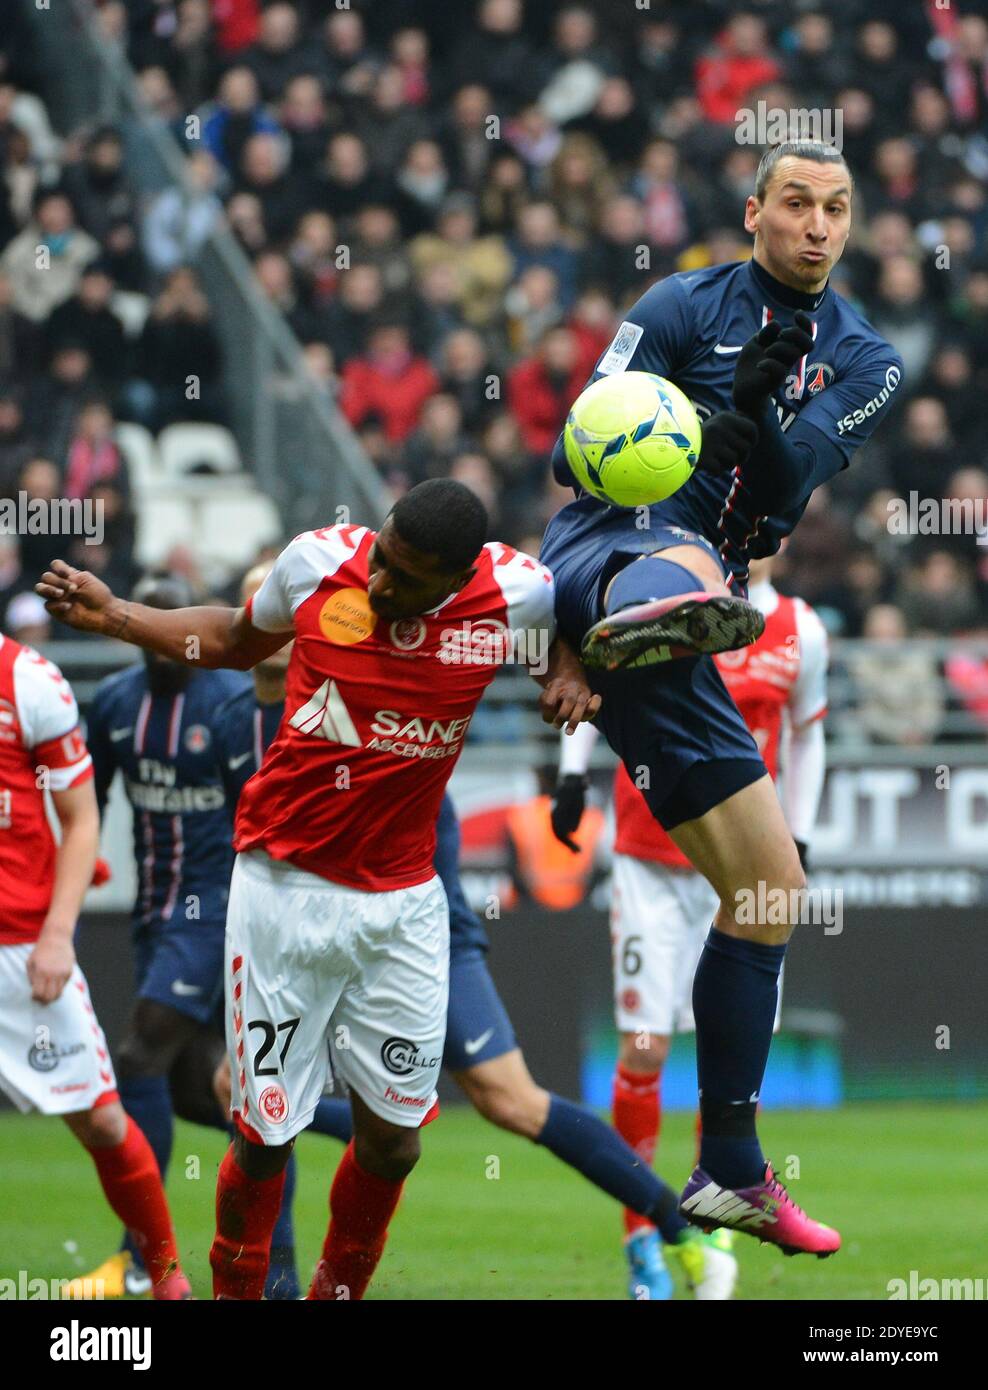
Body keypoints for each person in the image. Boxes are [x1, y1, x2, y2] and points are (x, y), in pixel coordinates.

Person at [37, 479, 599, 1301]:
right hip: (282, 889)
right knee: (265, 1137)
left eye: (406, 578)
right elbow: (233, 639)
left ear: (455, 577)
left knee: (396, 1144)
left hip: (405, 906)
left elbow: (569, 627)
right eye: (382, 557)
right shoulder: (316, 563)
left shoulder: (517, 592)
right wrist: (120, 615)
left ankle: (333, 1293)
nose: (378, 583)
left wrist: (573, 668)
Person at [539, 139, 904, 1255]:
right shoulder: (678, 303)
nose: (817, 225)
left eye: (836, 209)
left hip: (694, 620)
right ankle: (635, 616)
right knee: (685, 559)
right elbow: (575, 452)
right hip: (610, 547)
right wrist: (700, 424)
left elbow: (796, 471)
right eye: (796, 203)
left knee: (771, 890)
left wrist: (764, 420)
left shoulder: (867, 354)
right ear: (753, 213)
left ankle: (730, 1169)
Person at [211, 561, 736, 1301]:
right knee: (243, 1095)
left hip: (414, 935)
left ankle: (675, 1234)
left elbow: (430, 834)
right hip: (295, 927)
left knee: (510, 1101)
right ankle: (282, 1284)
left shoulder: (362, 692)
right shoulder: (239, 722)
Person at [553, 557, 828, 1295]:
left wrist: (796, 837)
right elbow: (592, 672)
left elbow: (808, 734)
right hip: (648, 857)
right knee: (643, 1049)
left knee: (731, 1056)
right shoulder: (661, 594)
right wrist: (571, 774)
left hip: (738, 868)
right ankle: (645, 1238)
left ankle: (717, 1232)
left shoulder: (802, 629)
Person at [0, 624, 190, 1299]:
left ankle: (165, 1279)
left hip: (19, 948)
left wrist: (57, 932)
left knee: (105, 1120)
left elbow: (80, 818)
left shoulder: (29, 683)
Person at [71, 574, 248, 1298]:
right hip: (154, 912)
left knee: (136, 1056)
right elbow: (85, 800)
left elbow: (257, 818)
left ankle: (141, 1261)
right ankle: (348, 1131)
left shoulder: (230, 703)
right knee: (198, 1089)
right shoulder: (114, 703)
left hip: (213, 912)